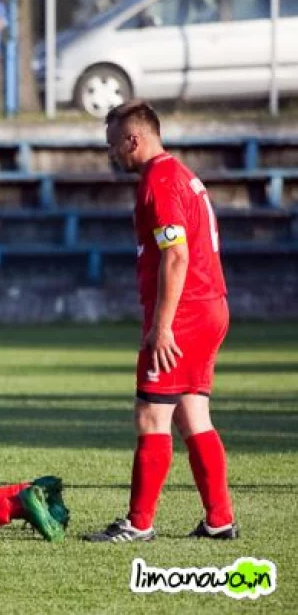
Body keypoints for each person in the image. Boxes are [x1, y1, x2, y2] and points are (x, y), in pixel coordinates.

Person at [87, 100, 236, 543]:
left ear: (134, 139)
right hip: (211, 306)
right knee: (193, 414)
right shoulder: (184, 175)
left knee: (151, 416)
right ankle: (219, 519)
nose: (112, 153)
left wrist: (163, 325)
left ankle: (138, 523)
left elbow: (176, 256)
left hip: (185, 312)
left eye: (114, 145)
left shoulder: (160, 180)